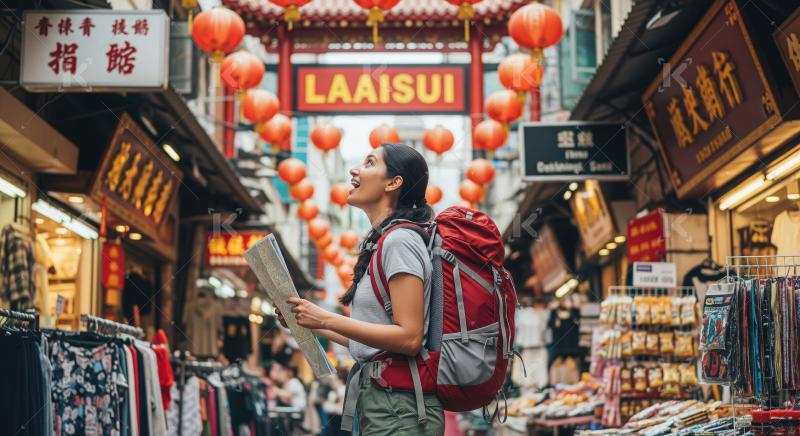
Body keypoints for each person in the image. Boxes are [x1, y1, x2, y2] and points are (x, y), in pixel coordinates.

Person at [284, 143, 444, 435]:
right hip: (384, 400)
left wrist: (325, 318)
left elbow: (409, 338)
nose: (354, 170)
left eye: (370, 163)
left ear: (394, 183)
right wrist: (308, 323)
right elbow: (373, 344)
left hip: (400, 407)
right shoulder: (382, 242)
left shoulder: (400, 241)